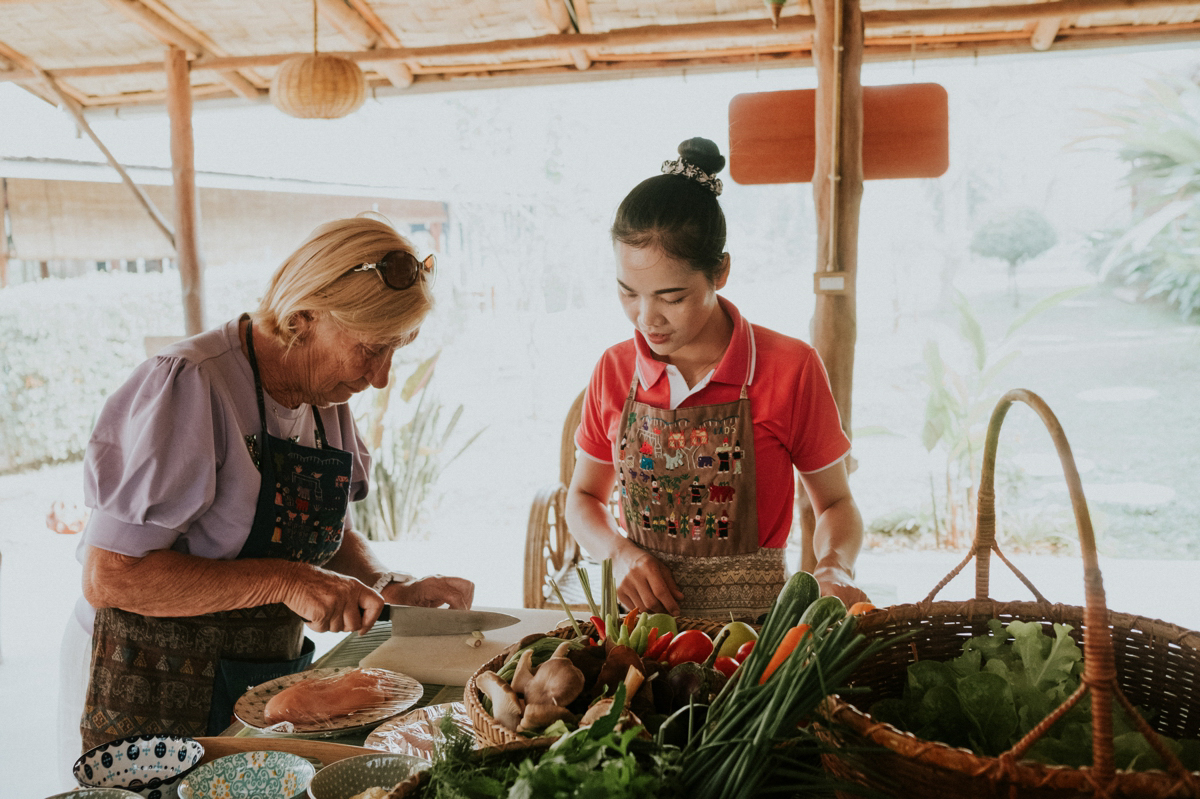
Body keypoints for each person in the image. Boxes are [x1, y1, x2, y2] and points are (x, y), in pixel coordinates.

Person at [62, 216, 474, 754]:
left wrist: (385, 586)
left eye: (395, 351)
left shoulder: (326, 396)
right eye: (373, 349)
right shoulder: (193, 384)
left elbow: (325, 531)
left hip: (252, 675)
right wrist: (285, 581)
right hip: (147, 682)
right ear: (304, 316)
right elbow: (112, 576)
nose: (381, 378)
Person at [566, 137, 868, 622]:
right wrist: (617, 552)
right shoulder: (615, 369)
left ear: (720, 271)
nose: (647, 319)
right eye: (628, 293)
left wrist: (837, 566)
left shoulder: (790, 368)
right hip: (637, 637)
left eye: (672, 297)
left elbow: (835, 502)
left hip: (753, 640)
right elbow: (582, 499)